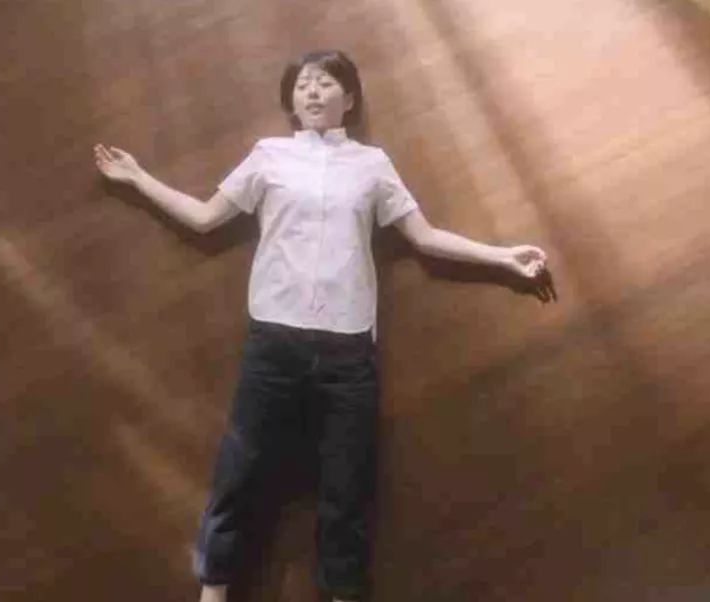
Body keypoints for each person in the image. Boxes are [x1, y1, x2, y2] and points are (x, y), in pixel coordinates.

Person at [94, 49, 548, 602]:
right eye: (303, 84)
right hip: (273, 342)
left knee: (348, 485)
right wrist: (137, 178)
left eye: (326, 83)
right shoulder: (269, 155)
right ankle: (213, 595)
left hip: (348, 352)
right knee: (239, 471)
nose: (312, 91)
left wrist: (502, 257)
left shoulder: (372, 165)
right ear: (291, 99)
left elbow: (424, 238)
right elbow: (206, 217)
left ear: (349, 99)